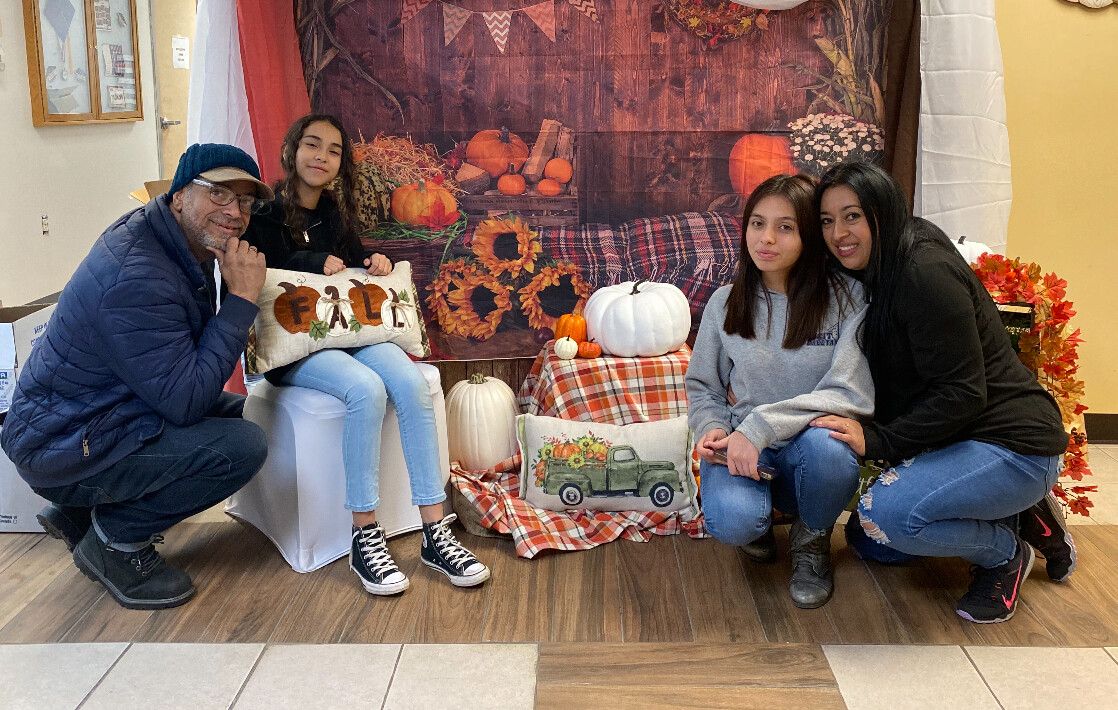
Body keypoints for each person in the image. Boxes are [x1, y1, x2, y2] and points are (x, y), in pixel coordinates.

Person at [0, 144, 272, 610]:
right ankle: (115, 541)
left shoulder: (169, 237)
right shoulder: (139, 275)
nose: (235, 211)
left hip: (92, 416)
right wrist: (241, 301)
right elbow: (185, 402)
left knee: (250, 411)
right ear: (179, 194)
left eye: (245, 201)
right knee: (242, 446)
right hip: (64, 443)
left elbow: (179, 370)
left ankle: (78, 514)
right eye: (219, 193)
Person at [810, 161, 1073, 624]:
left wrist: (878, 440)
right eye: (827, 220)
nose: (838, 234)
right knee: (870, 544)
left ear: (882, 211)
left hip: (1013, 443)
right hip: (960, 439)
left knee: (884, 517)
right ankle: (1020, 511)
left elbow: (962, 394)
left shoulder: (922, 273)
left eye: (852, 216)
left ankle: (1006, 553)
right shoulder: (881, 260)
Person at [243, 114, 490, 595]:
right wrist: (312, 263)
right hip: (296, 347)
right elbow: (260, 276)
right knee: (365, 389)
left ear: (341, 164)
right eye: (312, 145)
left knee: (413, 383)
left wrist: (372, 262)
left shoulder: (332, 214)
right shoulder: (264, 215)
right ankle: (365, 534)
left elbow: (351, 266)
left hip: (346, 333)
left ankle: (435, 531)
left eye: (334, 150)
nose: (322, 156)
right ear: (292, 150)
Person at [686, 174, 874, 609]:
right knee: (734, 523)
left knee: (831, 448)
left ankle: (812, 538)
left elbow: (850, 392)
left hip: (810, 450)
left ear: (809, 235)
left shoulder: (848, 299)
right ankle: (758, 521)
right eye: (758, 223)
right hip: (743, 449)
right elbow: (704, 385)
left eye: (785, 227)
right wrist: (713, 427)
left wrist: (760, 426)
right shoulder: (726, 302)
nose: (766, 238)